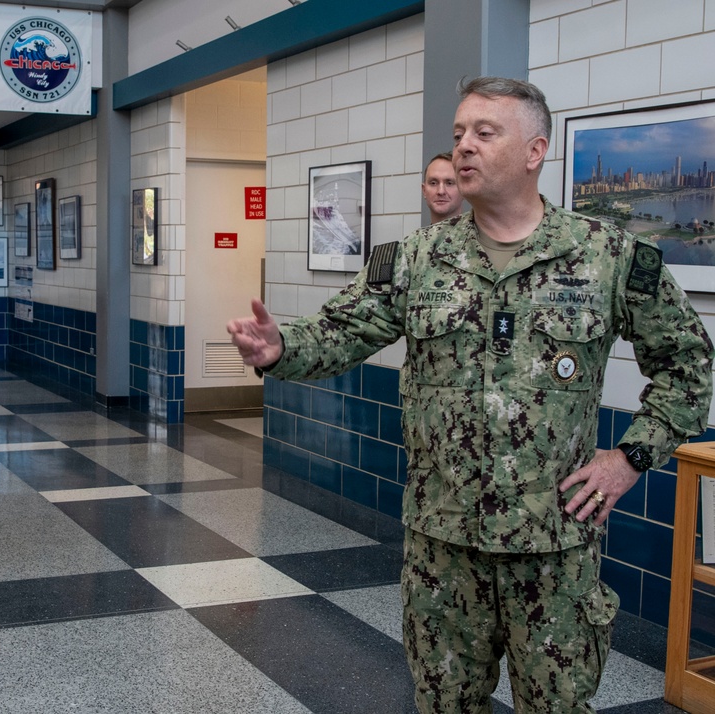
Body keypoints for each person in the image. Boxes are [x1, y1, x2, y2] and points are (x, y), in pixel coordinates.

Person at [228, 76, 713, 712]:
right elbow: (339, 333)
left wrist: (628, 460)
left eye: (485, 133)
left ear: (535, 151)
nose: (464, 147)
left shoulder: (608, 257)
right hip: (442, 549)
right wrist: (280, 349)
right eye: (459, 134)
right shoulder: (415, 259)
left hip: (555, 550)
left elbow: (690, 367)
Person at [421, 152, 463, 223]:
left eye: (449, 183)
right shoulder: (417, 234)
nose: (441, 191)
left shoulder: (482, 233)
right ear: (424, 190)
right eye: (433, 183)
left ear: (463, 190)